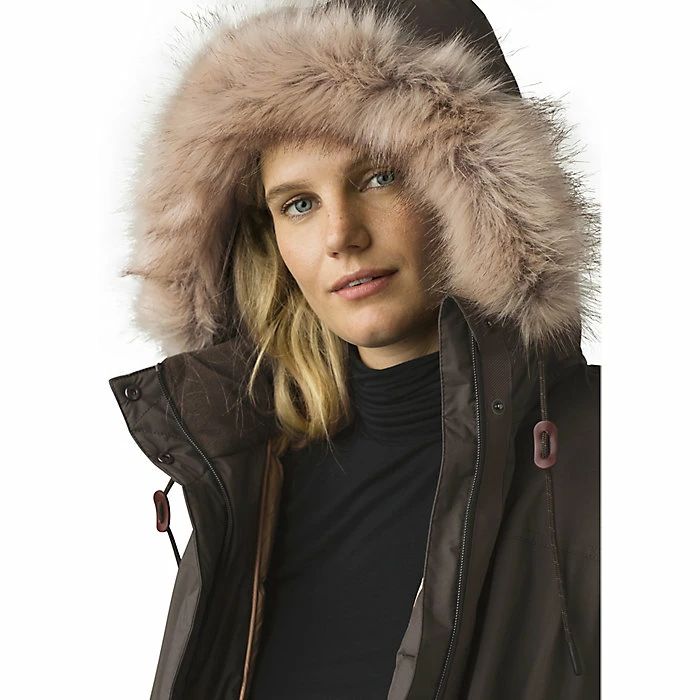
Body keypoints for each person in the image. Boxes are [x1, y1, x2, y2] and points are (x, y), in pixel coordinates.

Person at [110, 0, 600, 698]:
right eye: (298, 204)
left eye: (378, 177)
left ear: (475, 193)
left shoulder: (611, 458)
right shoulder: (258, 475)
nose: (341, 235)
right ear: (267, 239)